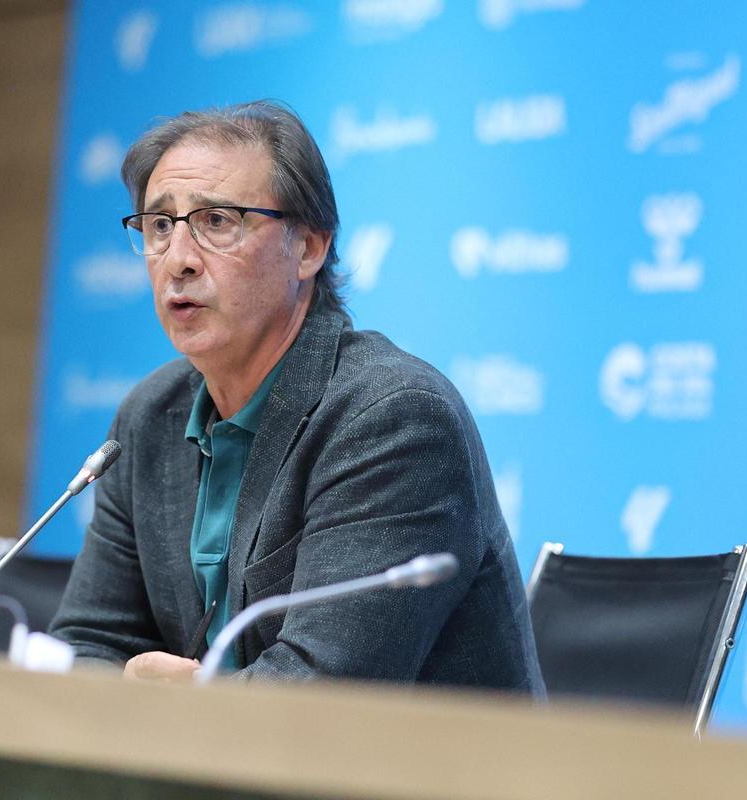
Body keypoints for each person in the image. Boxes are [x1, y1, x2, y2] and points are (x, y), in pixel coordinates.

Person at [50, 100, 544, 694]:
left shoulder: (392, 417)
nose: (178, 260)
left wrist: (182, 704)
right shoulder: (149, 418)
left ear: (307, 247)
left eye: (216, 222)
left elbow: (320, 696)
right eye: (159, 226)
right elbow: (85, 642)